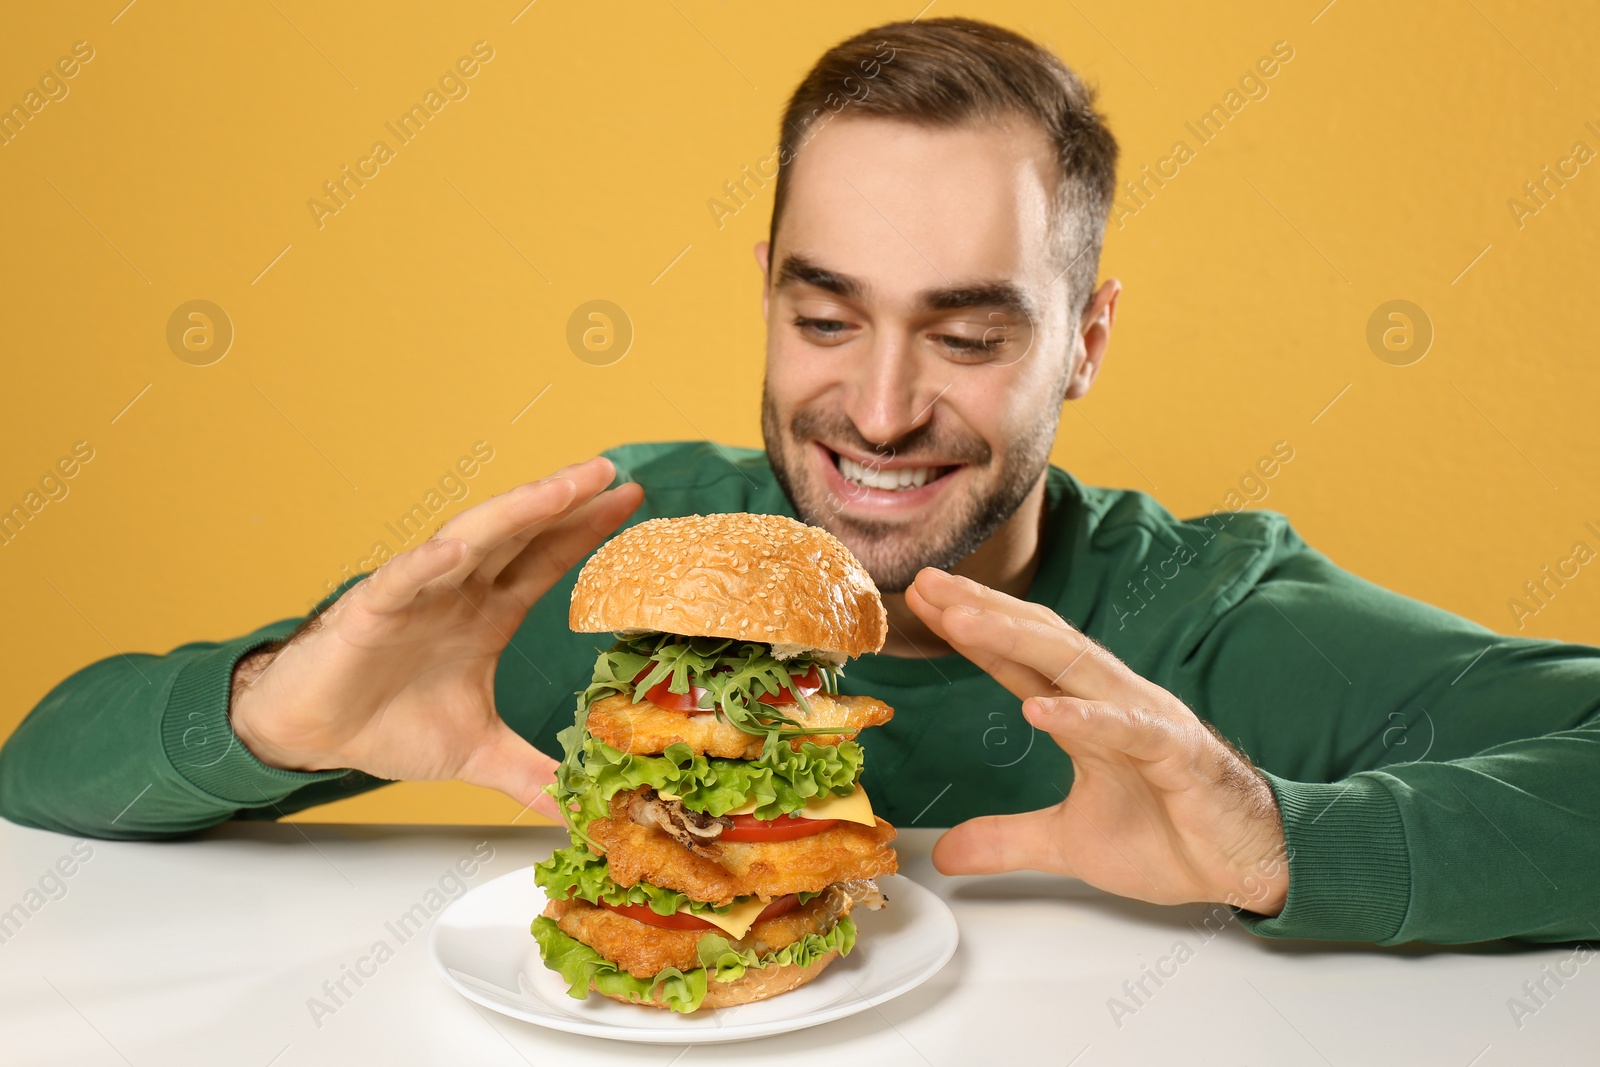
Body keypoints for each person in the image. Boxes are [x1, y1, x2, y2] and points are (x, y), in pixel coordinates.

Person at [3, 17, 1597, 948]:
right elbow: (37, 778)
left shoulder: (1211, 626)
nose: (881, 411)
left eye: (969, 334)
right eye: (824, 318)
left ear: (1086, 339)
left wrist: (1283, 843)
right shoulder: (622, 565)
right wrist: (272, 717)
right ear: (764, 287)